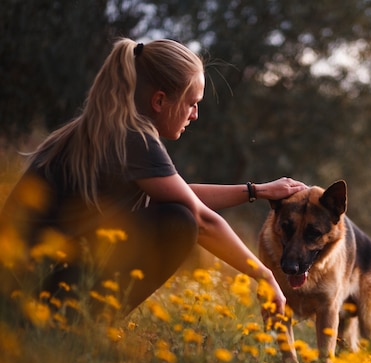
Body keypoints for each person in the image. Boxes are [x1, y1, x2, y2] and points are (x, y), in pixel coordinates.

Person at [0, 38, 307, 319]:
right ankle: (78, 326)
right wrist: (265, 275)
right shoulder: (133, 139)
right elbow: (201, 221)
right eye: (191, 103)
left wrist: (257, 190)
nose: (195, 114)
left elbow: (179, 193)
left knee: (178, 210)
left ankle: (71, 323)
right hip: (26, 294)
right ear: (159, 101)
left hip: (20, 281)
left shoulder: (107, 127)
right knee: (180, 222)